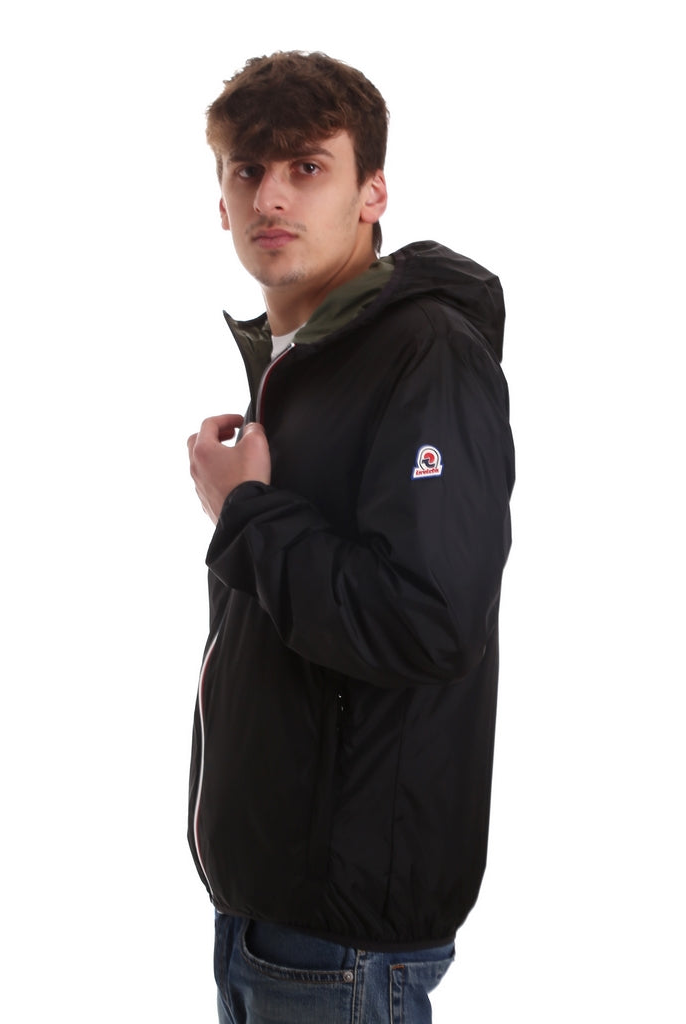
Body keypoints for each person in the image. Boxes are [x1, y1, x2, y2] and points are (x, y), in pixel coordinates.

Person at [186, 50, 515, 1024]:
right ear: (221, 201)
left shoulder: (425, 356)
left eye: (307, 167)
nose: (271, 196)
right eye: (249, 170)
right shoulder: (304, 362)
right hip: (273, 918)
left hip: (343, 939)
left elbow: (427, 622)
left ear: (373, 191)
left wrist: (246, 513)